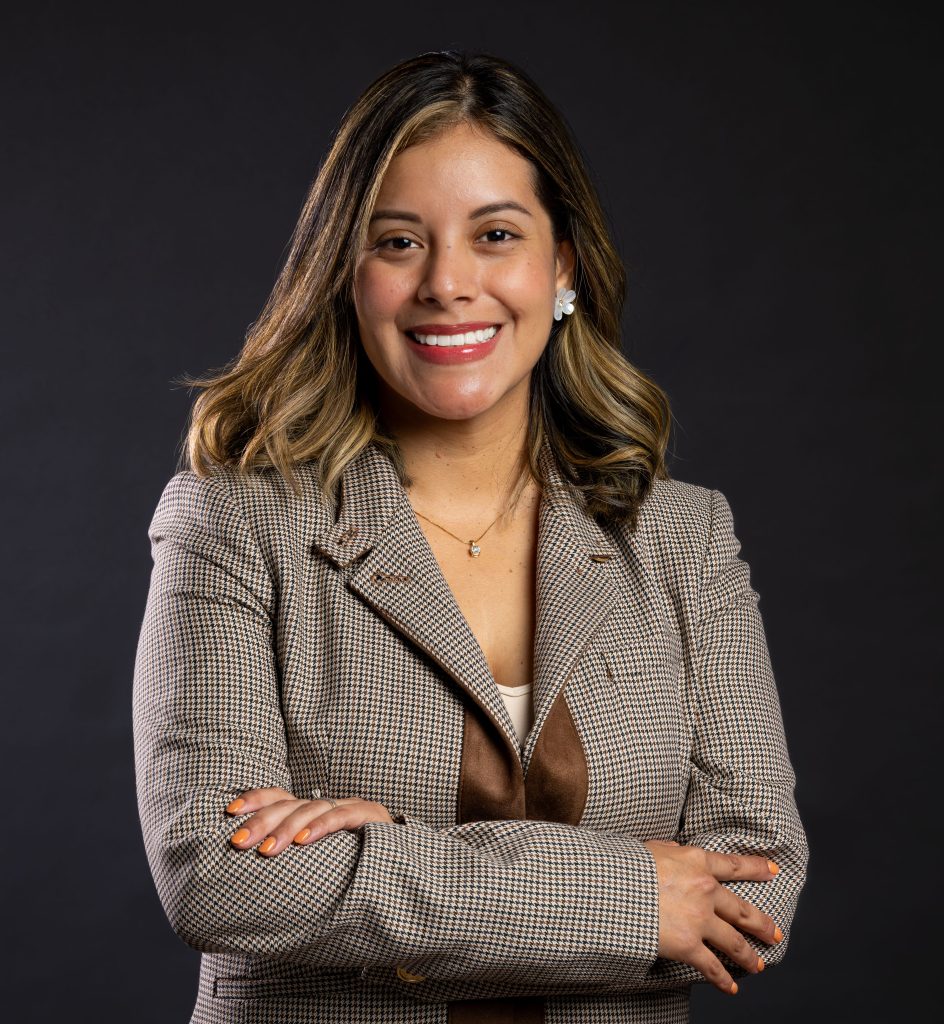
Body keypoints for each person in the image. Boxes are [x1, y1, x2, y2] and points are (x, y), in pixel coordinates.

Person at [132, 49, 808, 1024]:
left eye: (494, 233)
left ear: (561, 263)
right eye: (398, 241)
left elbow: (753, 899)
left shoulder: (680, 536)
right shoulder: (232, 524)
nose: (448, 283)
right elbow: (216, 879)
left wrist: (381, 861)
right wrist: (629, 899)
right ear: (345, 275)